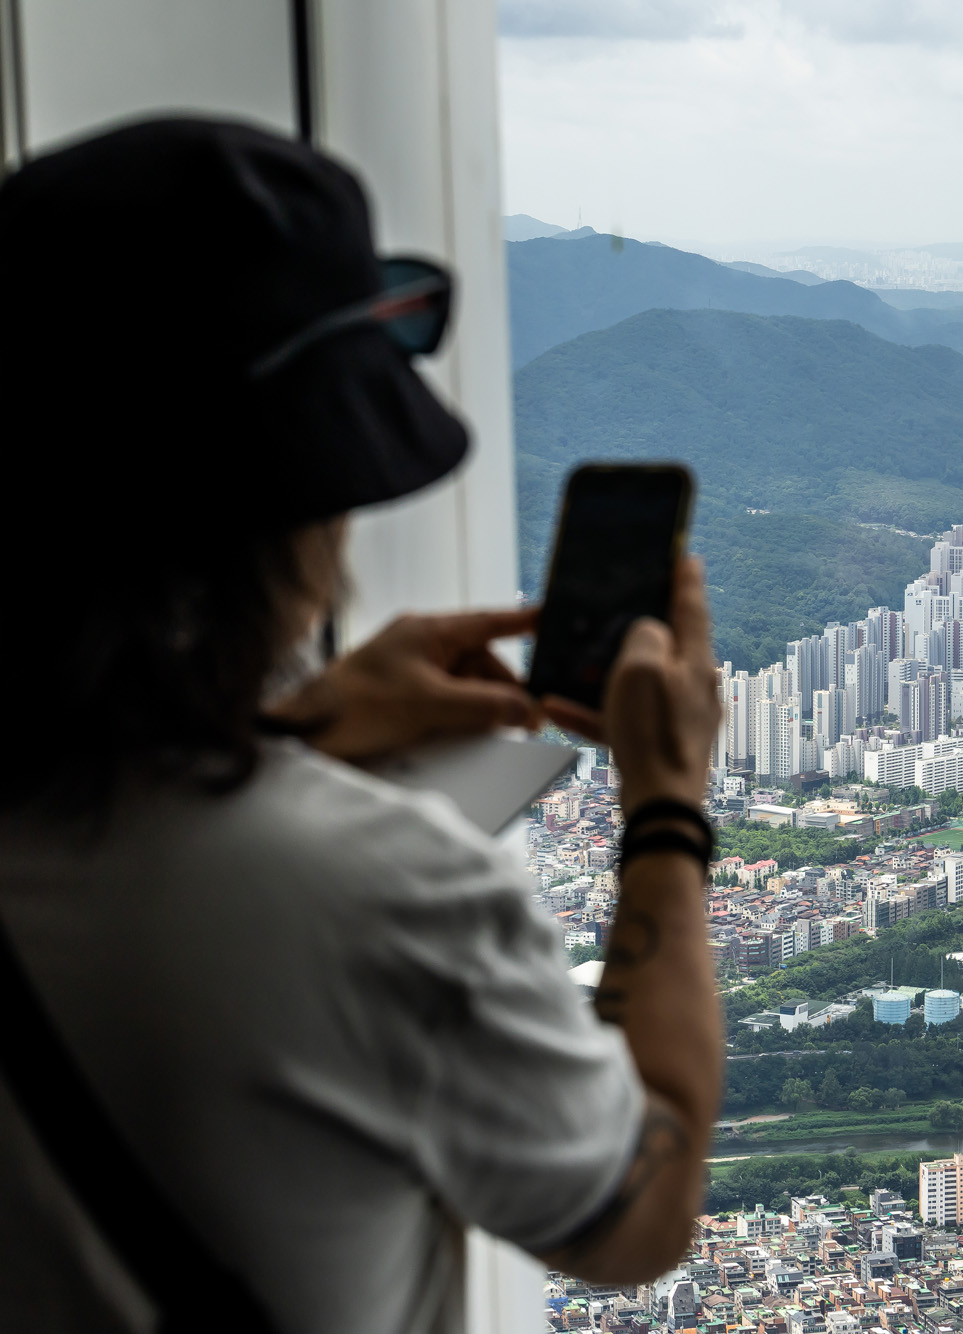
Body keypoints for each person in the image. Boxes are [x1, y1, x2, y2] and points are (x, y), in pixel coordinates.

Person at [0, 120, 723, 1331]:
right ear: (293, 506)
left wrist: (283, 724)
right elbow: (639, 1217)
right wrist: (666, 805)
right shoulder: (377, 889)